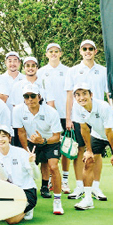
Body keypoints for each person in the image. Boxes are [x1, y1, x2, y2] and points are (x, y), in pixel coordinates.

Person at [64, 39, 113, 201]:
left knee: (97, 153)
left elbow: (110, 94)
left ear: (95, 51)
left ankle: (95, 187)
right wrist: (68, 118)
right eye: (84, 49)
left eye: (90, 49)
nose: (87, 51)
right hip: (79, 117)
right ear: (80, 51)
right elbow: (69, 96)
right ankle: (80, 186)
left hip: (99, 117)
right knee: (80, 151)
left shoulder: (104, 71)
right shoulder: (73, 71)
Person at [71, 83, 113, 214]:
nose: (81, 98)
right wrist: (88, 150)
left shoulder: (103, 106)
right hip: (97, 134)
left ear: (91, 95)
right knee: (88, 161)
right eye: (78, 95)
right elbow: (84, 128)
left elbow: (109, 131)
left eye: (84, 94)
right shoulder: (77, 107)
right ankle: (87, 199)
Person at [13, 83, 64, 215]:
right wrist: (26, 151)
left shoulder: (51, 112)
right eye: (26, 96)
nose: (30, 99)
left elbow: (57, 136)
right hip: (31, 142)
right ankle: (26, 199)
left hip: (50, 141)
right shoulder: (18, 110)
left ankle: (57, 201)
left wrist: (43, 141)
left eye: (33, 96)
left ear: (39, 97)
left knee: (53, 167)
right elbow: (21, 132)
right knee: (26, 168)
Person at [0, 125, 39, 223]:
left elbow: (36, 176)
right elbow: (3, 178)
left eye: (3, 136)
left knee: (11, 220)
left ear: (9, 138)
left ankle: (28, 208)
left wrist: (32, 163)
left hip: (27, 191)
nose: (0, 139)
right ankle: (19, 209)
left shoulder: (21, 152)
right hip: (10, 192)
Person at [37, 42, 70, 193]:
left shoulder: (68, 71)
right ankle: (50, 180)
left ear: (60, 53)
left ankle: (65, 181)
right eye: (51, 51)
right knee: (50, 148)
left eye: (56, 51)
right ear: (46, 54)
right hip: (48, 117)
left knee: (65, 148)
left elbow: (70, 94)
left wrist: (69, 117)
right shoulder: (41, 72)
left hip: (65, 115)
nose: (54, 54)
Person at [8, 56, 47, 144]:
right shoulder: (17, 85)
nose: (30, 68)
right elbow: (15, 106)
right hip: (22, 125)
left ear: (37, 68)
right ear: (24, 68)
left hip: (41, 123)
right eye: (28, 66)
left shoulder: (44, 83)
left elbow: (49, 103)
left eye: (33, 66)